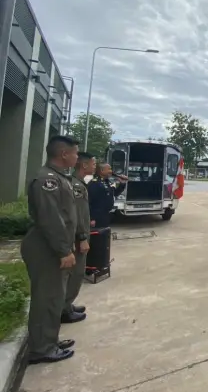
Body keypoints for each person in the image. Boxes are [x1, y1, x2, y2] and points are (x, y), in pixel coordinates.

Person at [21, 135, 79, 364]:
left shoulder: (58, 177)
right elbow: (51, 220)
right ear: (64, 154)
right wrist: (64, 250)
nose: (77, 157)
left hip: (53, 246)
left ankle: (49, 340)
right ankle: (42, 349)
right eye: (75, 153)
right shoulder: (47, 180)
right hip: (46, 248)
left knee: (54, 297)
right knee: (46, 298)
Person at [62, 152, 95, 324]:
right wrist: (82, 238)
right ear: (84, 165)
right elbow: (78, 215)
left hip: (78, 235)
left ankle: (67, 305)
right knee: (76, 274)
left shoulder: (77, 183)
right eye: (93, 164)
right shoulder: (77, 186)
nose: (95, 167)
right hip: (77, 238)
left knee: (75, 273)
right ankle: (64, 309)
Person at [87, 162, 128, 229]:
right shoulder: (95, 183)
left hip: (106, 214)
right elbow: (89, 202)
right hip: (97, 217)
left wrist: (122, 184)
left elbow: (115, 193)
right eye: (109, 169)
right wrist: (92, 218)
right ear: (102, 170)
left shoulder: (107, 182)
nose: (111, 171)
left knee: (105, 233)